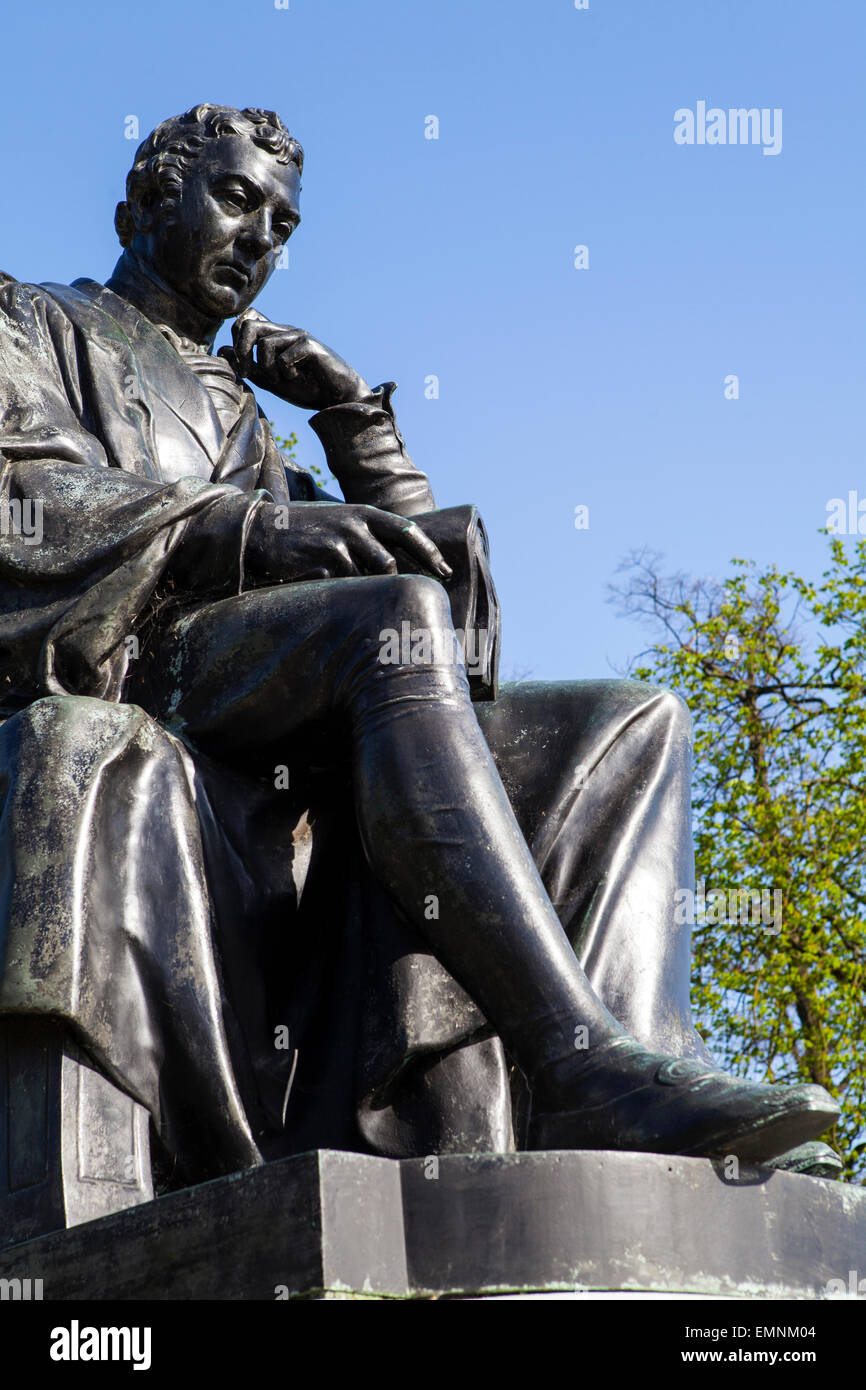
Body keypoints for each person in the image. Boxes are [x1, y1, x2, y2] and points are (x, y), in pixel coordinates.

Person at [0, 105, 838, 1187]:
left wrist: (356, 423)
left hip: (280, 705)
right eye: (237, 199)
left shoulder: (246, 417)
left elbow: (456, 633)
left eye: (285, 225)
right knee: (387, 622)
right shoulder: (30, 321)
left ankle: (641, 1095)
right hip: (132, 662)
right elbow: (25, 497)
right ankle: (571, 1054)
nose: (262, 240)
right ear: (147, 204)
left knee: (627, 723)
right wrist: (253, 527)